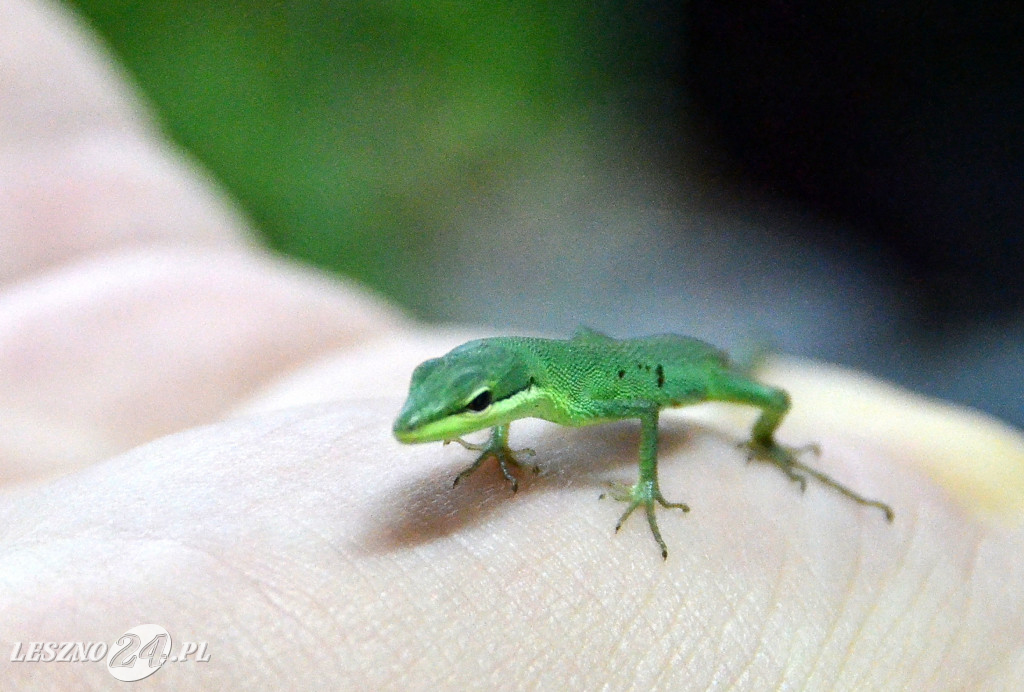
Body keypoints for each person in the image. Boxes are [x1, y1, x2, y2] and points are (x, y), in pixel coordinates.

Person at [2, 0, 1023, 687]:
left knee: (758, 394)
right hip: (626, 316)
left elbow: (657, 410)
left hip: (675, 358)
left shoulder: (584, 404)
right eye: (455, 402)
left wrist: (641, 483)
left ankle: (779, 419)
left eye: (472, 406)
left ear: (509, 392)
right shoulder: (532, 401)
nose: (436, 423)